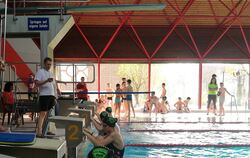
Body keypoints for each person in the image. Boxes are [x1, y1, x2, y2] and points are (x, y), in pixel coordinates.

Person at [35, 57, 57, 137]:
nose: (49, 66)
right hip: (44, 95)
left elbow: (54, 84)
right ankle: (39, 132)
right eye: (48, 64)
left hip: (51, 95)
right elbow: (37, 83)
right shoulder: (40, 72)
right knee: (43, 113)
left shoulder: (51, 73)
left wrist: (57, 92)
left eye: (50, 64)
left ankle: (46, 130)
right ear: (44, 64)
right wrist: (46, 80)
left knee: (48, 114)